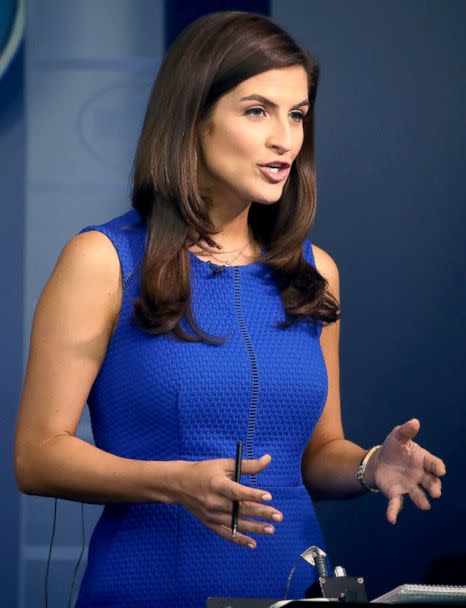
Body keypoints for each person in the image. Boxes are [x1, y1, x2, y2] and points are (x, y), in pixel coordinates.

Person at [14, 11, 446, 608]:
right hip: (148, 590)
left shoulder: (316, 272)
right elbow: (37, 456)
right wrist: (176, 483)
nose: (286, 139)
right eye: (257, 110)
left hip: (292, 589)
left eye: (296, 115)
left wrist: (372, 466)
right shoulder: (102, 260)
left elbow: (319, 453)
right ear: (193, 118)